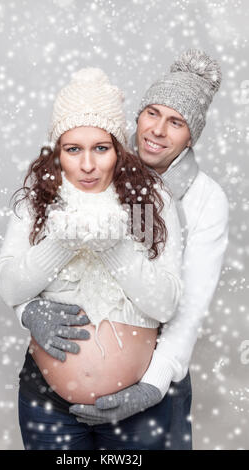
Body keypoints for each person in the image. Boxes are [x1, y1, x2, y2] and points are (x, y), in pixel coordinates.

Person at [0, 68, 183, 450]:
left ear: (119, 149)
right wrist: (61, 244)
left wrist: (114, 246)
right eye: (73, 149)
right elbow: (8, 283)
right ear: (57, 151)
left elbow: (165, 304)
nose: (87, 166)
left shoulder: (150, 200)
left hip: (137, 407)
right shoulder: (38, 200)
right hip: (49, 406)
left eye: (101, 147)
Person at [60, 49, 229, 450]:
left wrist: (150, 385)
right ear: (138, 114)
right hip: (74, 370)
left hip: (156, 382)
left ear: (191, 136)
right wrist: (32, 311)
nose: (157, 130)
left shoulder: (206, 200)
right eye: (152, 112)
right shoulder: (94, 165)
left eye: (177, 122)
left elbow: (189, 305)